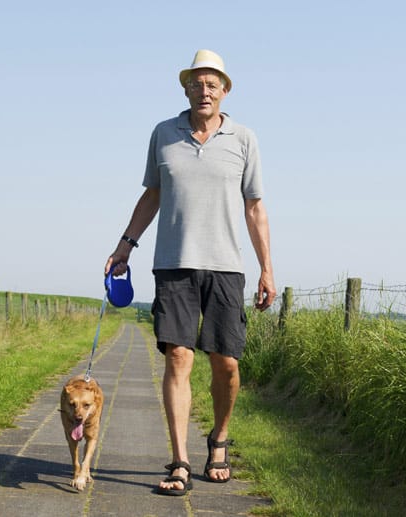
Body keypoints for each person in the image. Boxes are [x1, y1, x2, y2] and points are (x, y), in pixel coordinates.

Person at [104, 49, 275, 496]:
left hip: (226, 268)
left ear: (224, 90)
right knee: (179, 357)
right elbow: (152, 195)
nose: (204, 91)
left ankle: (218, 439)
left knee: (227, 363)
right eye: (196, 83)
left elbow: (255, 209)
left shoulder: (244, 139)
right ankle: (179, 460)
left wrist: (266, 270)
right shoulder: (164, 134)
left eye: (212, 84)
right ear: (186, 89)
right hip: (173, 265)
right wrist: (125, 245)